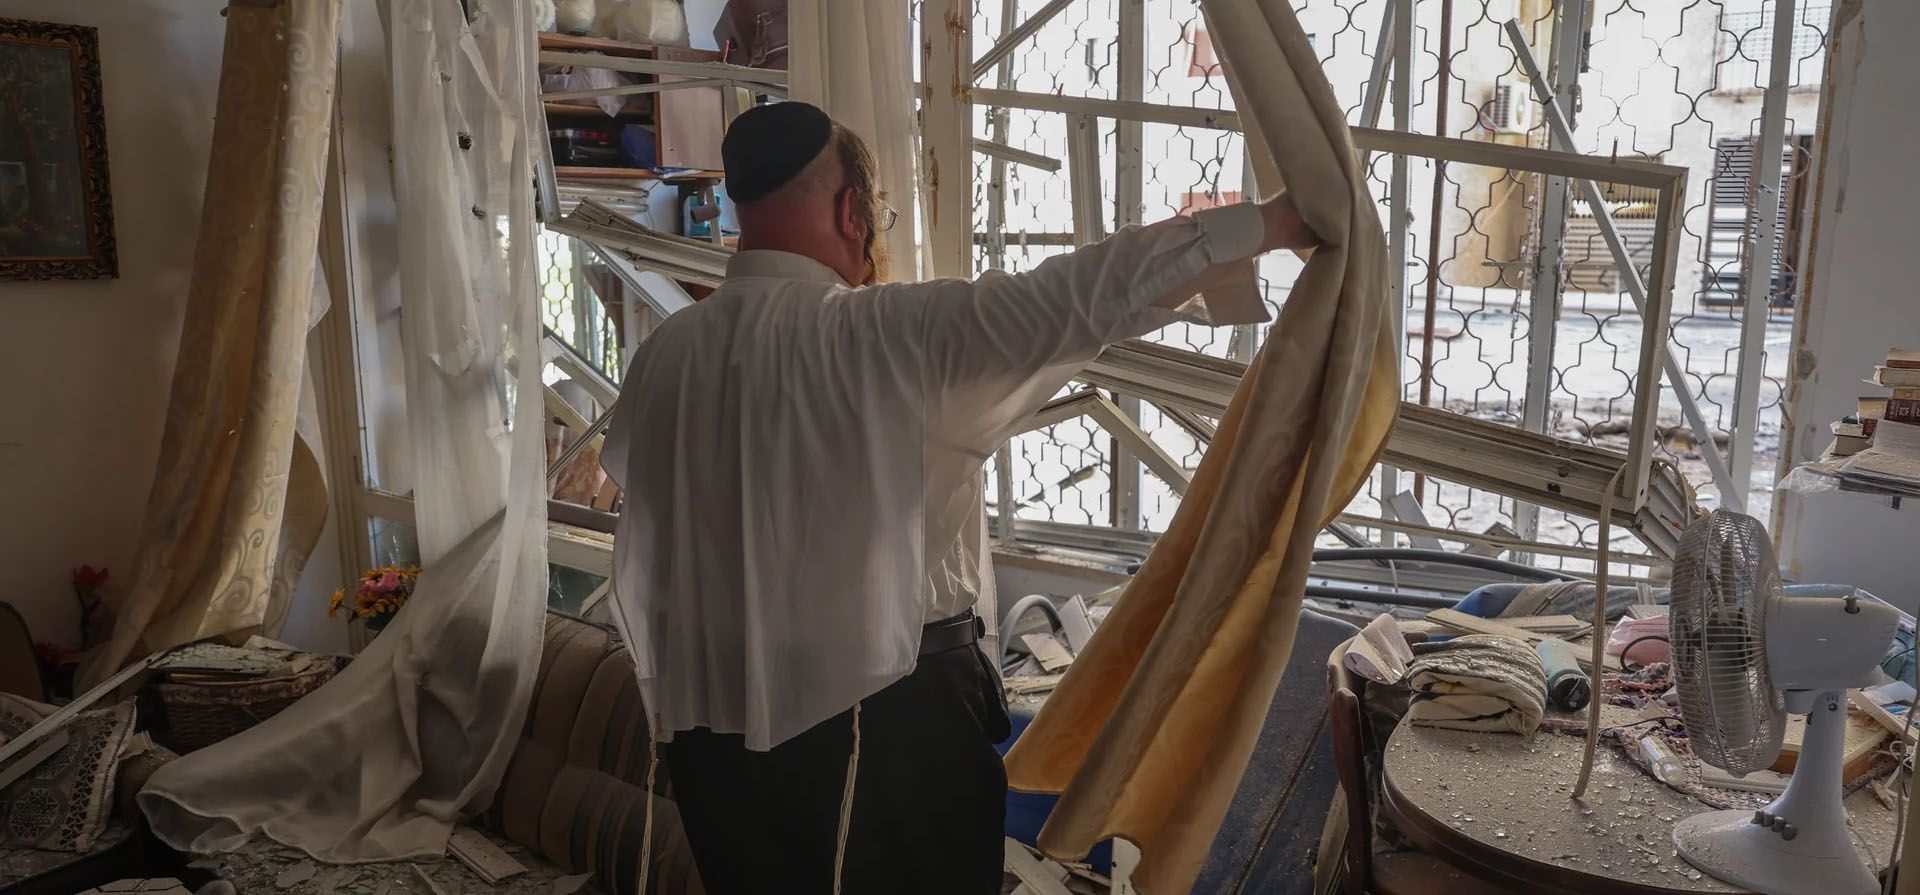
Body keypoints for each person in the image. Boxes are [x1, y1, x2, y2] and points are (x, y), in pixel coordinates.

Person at [599, 101, 1318, 895]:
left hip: (711, 729)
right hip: (883, 728)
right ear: (853, 211)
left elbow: (646, 507)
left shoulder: (665, 356)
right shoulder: (888, 337)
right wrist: (1272, 223)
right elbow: (1080, 294)